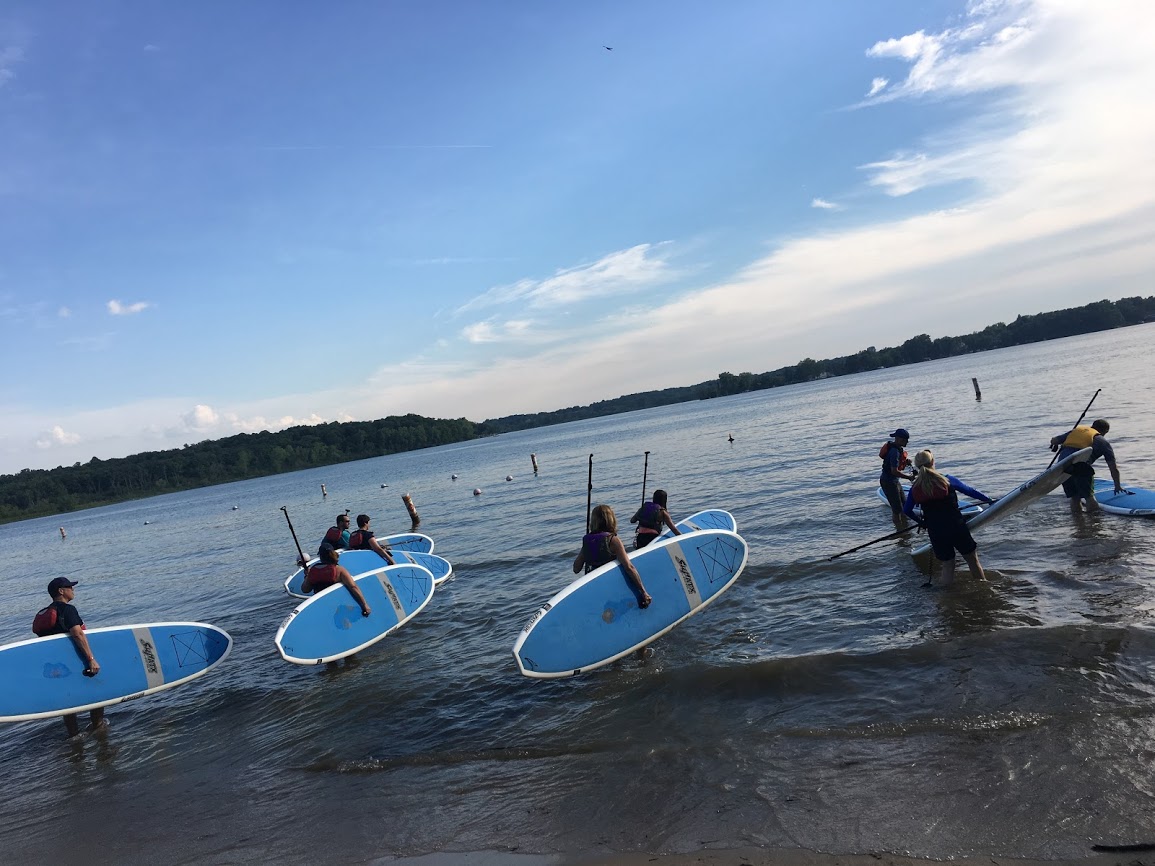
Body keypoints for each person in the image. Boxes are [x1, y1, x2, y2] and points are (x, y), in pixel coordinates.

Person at [903, 450, 995, 587]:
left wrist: (922, 523)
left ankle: (945, 600)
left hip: (936, 531)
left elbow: (907, 510)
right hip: (956, 527)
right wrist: (988, 500)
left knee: (947, 566)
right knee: (972, 561)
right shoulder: (947, 479)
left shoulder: (916, 488)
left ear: (917, 466)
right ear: (933, 462)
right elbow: (970, 491)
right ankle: (984, 590)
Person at [36, 577, 105, 738]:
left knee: (69, 700)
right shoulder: (68, 609)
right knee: (97, 693)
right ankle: (99, 728)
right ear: (61, 591)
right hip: (77, 660)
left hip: (58, 665)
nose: (73, 590)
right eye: (70, 587)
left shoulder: (46, 613)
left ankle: (74, 736)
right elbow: (78, 634)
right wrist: (91, 658)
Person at [573, 504, 652, 609]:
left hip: (594, 588)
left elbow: (576, 568)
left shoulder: (587, 541)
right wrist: (643, 591)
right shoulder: (613, 540)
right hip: (611, 586)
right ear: (611, 519)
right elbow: (629, 567)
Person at [1049, 419, 1123, 513]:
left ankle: (1079, 522)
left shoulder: (1075, 432)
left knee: (1075, 497)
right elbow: (1113, 467)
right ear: (1105, 431)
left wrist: (1054, 444)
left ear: (1092, 426)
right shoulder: (1103, 442)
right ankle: (1094, 523)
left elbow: (1054, 440)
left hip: (1063, 466)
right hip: (1080, 467)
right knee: (1089, 497)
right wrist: (1117, 485)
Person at [300, 544, 372, 616]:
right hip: (339, 605)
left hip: (322, 607)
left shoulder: (313, 571)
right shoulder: (339, 570)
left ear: (321, 557)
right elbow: (353, 587)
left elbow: (305, 589)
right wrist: (364, 604)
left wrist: (307, 576)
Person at [879, 428, 916, 534]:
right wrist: (908, 477)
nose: (907, 442)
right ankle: (900, 532)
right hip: (889, 482)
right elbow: (894, 471)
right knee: (897, 510)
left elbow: (897, 464)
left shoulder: (898, 449)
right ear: (899, 439)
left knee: (904, 505)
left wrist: (906, 462)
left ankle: (905, 526)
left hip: (894, 481)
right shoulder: (894, 451)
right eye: (905, 440)